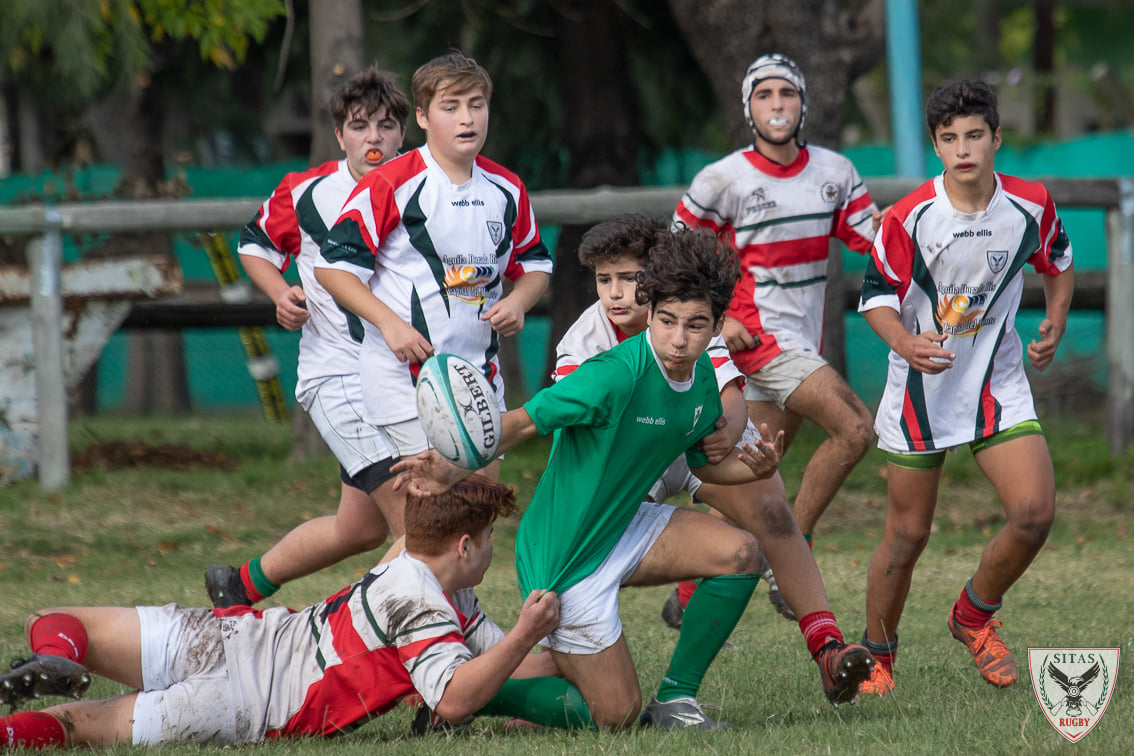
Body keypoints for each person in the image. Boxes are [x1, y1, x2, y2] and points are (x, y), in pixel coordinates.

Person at [396, 226, 874, 731]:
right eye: (667, 321)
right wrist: (449, 467)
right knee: (617, 715)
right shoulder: (611, 373)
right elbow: (522, 423)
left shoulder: (701, 374)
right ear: (652, 312)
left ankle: (677, 701)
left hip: (626, 523)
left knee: (742, 553)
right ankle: (463, 693)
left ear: (717, 327)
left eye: (695, 325)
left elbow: (702, 464)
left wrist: (753, 467)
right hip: (567, 554)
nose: (678, 338)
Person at [550, 214, 867, 728]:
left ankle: (826, 649)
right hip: (626, 461)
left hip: (693, 440)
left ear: (656, 277)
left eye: (629, 278)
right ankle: (558, 663)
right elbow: (571, 428)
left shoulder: (686, 314)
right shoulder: (584, 340)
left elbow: (729, 392)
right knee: (604, 568)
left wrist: (728, 433)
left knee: (771, 509)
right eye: (604, 279)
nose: (616, 293)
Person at [0, 476, 597, 749]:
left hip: (229, 635)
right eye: (490, 540)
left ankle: (57, 657)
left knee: (54, 620)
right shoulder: (421, 606)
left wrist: (565, 660)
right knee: (76, 727)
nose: (493, 550)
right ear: (463, 547)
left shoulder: (414, 567)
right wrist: (527, 633)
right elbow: (455, 700)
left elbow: (499, 664)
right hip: (242, 704)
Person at [856, 79, 1073, 696]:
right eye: (949, 138)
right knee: (907, 534)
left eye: (974, 135)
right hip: (920, 393)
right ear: (936, 146)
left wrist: (1055, 320)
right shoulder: (911, 216)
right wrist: (905, 342)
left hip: (996, 384)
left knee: (1034, 514)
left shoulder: (1031, 204)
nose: (963, 148)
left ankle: (973, 615)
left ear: (996, 137)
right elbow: (875, 296)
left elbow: (1058, 262)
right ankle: (876, 656)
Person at [672, 53, 880, 618]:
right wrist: (718, 319)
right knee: (856, 429)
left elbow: (877, 240)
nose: (777, 104)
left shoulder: (835, 172)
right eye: (764, 95)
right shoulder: (722, 179)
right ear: (749, 110)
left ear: (803, 104)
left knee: (751, 482)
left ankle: (687, 592)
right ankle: (792, 560)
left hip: (800, 342)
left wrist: (932, 220)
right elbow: (675, 251)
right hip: (760, 338)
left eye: (787, 93)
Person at [205, 67, 411, 608]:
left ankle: (238, 586)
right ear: (339, 135)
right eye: (359, 126)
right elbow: (255, 245)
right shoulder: (307, 190)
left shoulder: (424, 187)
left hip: (400, 378)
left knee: (359, 529)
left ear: (404, 132)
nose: (373, 138)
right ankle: (369, 628)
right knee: (418, 525)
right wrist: (281, 294)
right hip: (340, 378)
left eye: (386, 126)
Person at [314, 51, 551, 473]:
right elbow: (333, 269)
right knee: (437, 506)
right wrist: (389, 324)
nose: (467, 119)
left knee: (482, 503)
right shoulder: (390, 182)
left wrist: (518, 302)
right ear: (422, 116)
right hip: (405, 381)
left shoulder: (507, 188)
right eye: (451, 107)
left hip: (479, 378)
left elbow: (534, 264)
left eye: (476, 105)